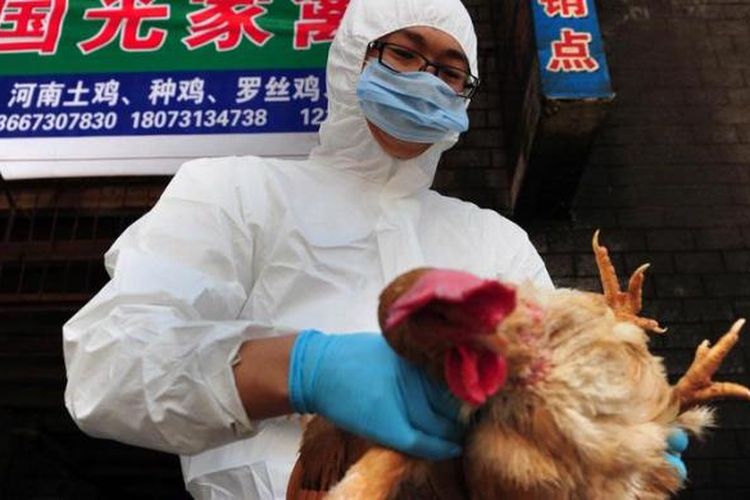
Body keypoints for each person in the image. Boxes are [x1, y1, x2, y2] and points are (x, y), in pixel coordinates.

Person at [63, 0, 686, 498]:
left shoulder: (495, 238)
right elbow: (112, 366)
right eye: (404, 54)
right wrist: (305, 369)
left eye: (448, 70)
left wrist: (617, 439)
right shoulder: (235, 191)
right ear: (350, 63)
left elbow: (557, 382)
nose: (426, 80)